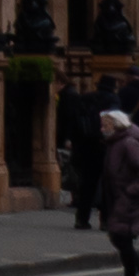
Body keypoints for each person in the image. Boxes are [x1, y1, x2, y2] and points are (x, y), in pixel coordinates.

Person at [97, 92, 139, 276]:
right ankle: (137, 274)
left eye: (105, 125)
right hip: (118, 200)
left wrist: (129, 193)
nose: (102, 128)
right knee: (120, 239)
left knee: (121, 239)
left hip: (129, 201)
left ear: (116, 125)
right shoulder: (114, 143)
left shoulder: (129, 143)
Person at [56, 71, 105, 231]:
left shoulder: (80, 105)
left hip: (84, 151)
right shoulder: (103, 107)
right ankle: (105, 220)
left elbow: (72, 124)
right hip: (100, 151)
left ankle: (82, 219)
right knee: (105, 186)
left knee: (86, 186)